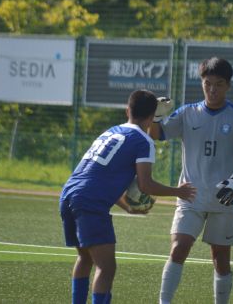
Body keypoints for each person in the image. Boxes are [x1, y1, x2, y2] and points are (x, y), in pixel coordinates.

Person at [59, 89, 197, 304]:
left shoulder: (111, 131)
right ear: (152, 118)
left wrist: (128, 207)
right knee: (106, 267)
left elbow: (99, 177)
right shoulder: (143, 141)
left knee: (85, 257)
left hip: (69, 193)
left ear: (127, 111)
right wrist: (178, 191)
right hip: (90, 202)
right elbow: (146, 184)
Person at [149, 57, 233, 304]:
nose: (212, 89)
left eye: (219, 84)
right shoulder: (187, 113)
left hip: (224, 197)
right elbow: (159, 135)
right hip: (191, 195)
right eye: (208, 83)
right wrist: (155, 118)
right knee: (179, 248)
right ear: (201, 83)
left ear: (228, 86)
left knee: (220, 258)